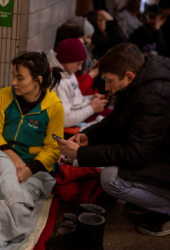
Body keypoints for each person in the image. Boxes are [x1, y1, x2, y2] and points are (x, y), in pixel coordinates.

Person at [58, 43, 170, 236]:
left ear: (128, 76)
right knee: (105, 157)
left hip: (161, 159)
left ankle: (165, 207)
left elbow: (135, 154)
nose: (107, 88)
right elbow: (117, 119)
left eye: (109, 81)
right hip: (157, 151)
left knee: (110, 178)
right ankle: (153, 199)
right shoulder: (142, 76)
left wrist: (81, 154)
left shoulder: (154, 96)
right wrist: (89, 135)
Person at [0, 52, 64, 183]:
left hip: (35, 167)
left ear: (37, 80)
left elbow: (53, 148)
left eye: (20, 78)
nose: (13, 82)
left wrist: (28, 170)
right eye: (13, 76)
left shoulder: (54, 106)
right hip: (3, 158)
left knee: (21, 193)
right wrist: (14, 160)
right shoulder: (4, 96)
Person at [47, 38, 108, 128]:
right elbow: (64, 120)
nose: (80, 68)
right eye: (78, 63)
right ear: (67, 61)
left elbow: (74, 100)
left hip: (80, 116)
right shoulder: (58, 83)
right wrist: (91, 108)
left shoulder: (68, 71)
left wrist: (90, 98)